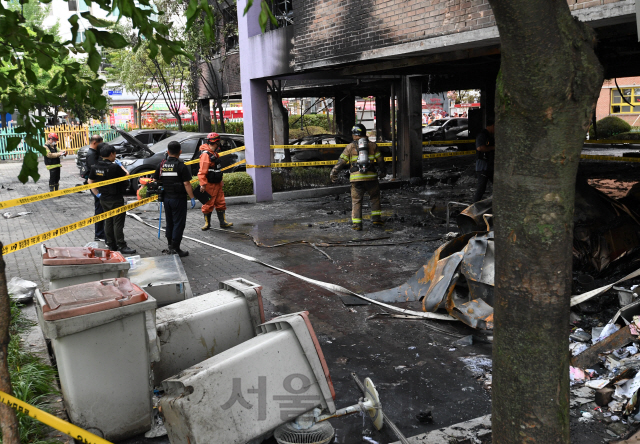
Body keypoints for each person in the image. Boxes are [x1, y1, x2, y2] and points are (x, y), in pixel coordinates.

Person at [330, 124, 386, 231]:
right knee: (374, 198)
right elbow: (380, 161)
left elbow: (341, 162)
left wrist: (334, 172)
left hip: (356, 180)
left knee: (356, 201)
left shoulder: (350, 147)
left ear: (355, 135)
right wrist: (383, 172)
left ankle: (357, 225)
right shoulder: (373, 146)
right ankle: (376, 220)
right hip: (371, 179)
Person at [88, 144, 136, 254]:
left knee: (108, 221)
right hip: (115, 198)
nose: (115, 156)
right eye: (115, 154)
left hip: (103, 198)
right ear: (111, 154)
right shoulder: (114, 167)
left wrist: (97, 194)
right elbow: (127, 176)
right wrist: (121, 166)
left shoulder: (95, 166)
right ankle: (121, 245)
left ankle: (110, 244)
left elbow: (90, 181)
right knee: (118, 223)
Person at [154, 141, 196, 257]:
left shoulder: (161, 165)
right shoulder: (181, 166)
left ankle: (170, 245)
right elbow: (187, 183)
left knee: (170, 222)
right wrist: (192, 197)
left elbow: (155, 180)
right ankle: (175, 248)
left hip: (166, 199)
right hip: (178, 199)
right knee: (179, 223)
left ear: (168, 152)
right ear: (180, 152)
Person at [198, 132, 233, 230]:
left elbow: (217, 170)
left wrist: (220, 180)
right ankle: (207, 224)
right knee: (208, 203)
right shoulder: (206, 155)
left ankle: (223, 222)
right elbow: (202, 171)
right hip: (209, 184)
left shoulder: (214, 154)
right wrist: (203, 184)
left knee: (220, 202)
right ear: (216, 142)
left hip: (217, 183)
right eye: (219, 142)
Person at [84, 134, 106, 242]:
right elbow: (95, 171)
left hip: (97, 185)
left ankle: (101, 233)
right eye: (100, 143)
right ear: (94, 143)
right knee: (99, 209)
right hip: (95, 186)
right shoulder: (91, 155)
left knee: (101, 208)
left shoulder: (95, 153)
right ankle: (99, 234)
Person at [473, 119, 495, 203]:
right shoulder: (482, 135)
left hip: (489, 165)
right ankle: (474, 207)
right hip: (483, 166)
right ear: (492, 126)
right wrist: (493, 148)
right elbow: (480, 148)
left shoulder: (489, 136)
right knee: (481, 188)